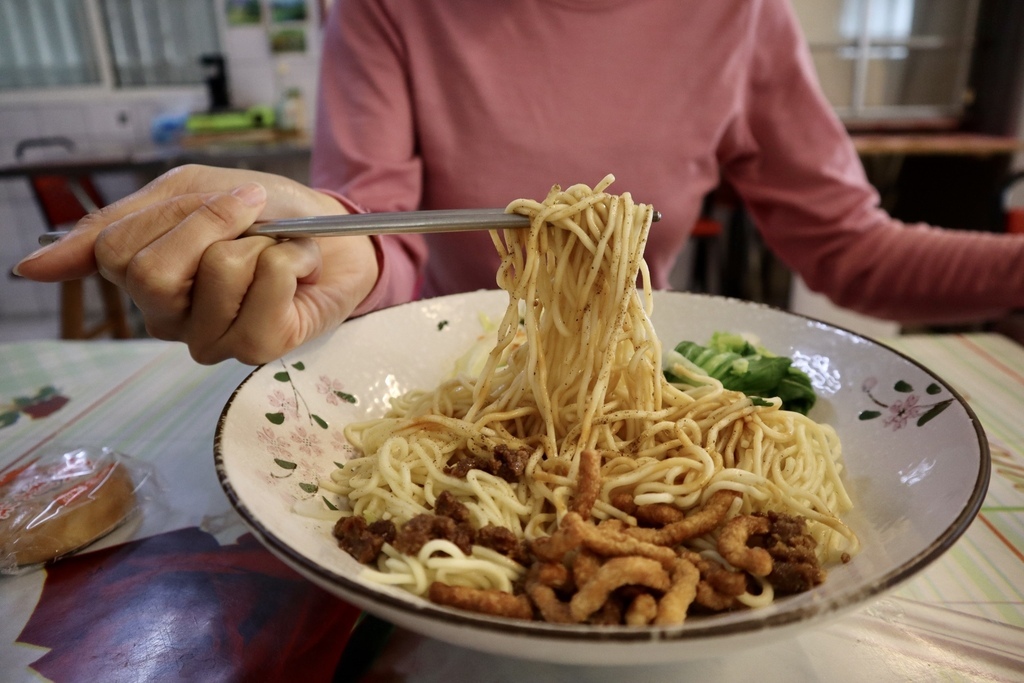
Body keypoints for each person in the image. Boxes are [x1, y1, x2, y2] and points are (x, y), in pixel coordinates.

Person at [15, 0, 1024, 365]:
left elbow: (856, 250)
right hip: (435, 380)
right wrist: (325, 233)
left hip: (642, 383)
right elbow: (383, 234)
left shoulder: (741, 15)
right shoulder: (386, 7)